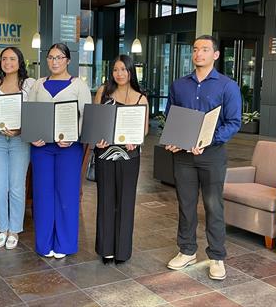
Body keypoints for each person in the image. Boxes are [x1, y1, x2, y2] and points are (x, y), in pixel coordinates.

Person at [164, 35, 241, 280]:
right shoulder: (179, 85)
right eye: (195, 49)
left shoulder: (227, 86)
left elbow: (233, 122)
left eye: (205, 49)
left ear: (215, 55)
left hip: (212, 156)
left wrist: (207, 140)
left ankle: (217, 256)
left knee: (213, 206)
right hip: (184, 157)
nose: (199, 54)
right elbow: (171, 116)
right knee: (185, 206)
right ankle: (187, 251)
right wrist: (174, 139)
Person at [28, 43, 91, 259]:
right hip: (42, 149)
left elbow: (86, 116)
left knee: (67, 195)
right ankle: (44, 244)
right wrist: (32, 134)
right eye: (51, 57)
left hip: (69, 149)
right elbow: (31, 114)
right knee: (43, 195)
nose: (55, 62)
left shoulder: (78, 85)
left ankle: (64, 244)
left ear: (68, 60)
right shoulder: (38, 85)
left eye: (59, 57)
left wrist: (74, 137)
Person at [94, 54, 149, 264]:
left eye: (124, 70)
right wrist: (97, 139)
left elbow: (143, 130)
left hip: (129, 155)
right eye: (116, 70)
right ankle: (106, 249)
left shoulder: (140, 97)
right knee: (106, 200)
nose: (120, 74)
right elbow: (96, 122)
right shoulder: (103, 93)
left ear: (130, 72)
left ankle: (122, 251)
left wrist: (136, 140)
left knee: (126, 202)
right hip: (105, 154)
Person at [0, 47, 35, 250]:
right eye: (4, 59)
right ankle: (2, 228)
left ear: (20, 61)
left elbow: (34, 113)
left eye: (12, 58)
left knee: (16, 186)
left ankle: (14, 229)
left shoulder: (29, 84)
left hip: (19, 141)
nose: (8, 62)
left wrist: (21, 130)